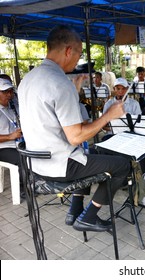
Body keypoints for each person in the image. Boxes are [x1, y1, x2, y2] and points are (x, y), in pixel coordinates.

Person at [18, 25, 130, 232]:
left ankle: (74, 210)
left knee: (92, 154)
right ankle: (89, 216)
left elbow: (52, 119)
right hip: (60, 165)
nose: (78, 61)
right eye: (78, 55)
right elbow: (76, 137)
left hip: (35, 163)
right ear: (69, 51)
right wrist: (108, 116)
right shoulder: (59, 82)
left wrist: (74, 92)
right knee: (122, 165)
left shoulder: (29, 78)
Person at [0, 78, 25, 199]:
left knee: (36, 150)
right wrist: (10, 136)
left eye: (10, 91)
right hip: (3, 148)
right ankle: (24, 188)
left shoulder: (13, 105)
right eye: (5, 92)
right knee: (22, 158)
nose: (9, 95)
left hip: (17, 143)